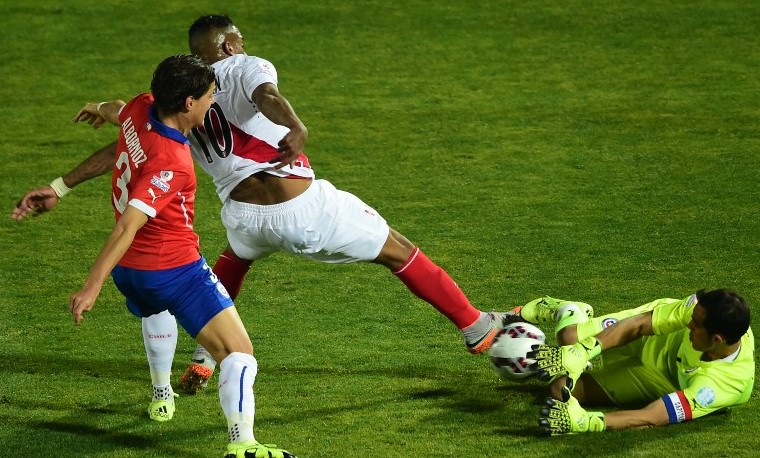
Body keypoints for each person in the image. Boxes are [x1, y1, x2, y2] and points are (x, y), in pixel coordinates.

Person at [13, 14, 506, 394]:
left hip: (243, 217)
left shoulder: (168, 102)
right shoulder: (243, 66)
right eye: (239, 39)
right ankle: (475, 327)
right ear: (229, 46)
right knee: (400, 250)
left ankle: (207, 358)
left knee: (231, 263)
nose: (242, 45)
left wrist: (63, 179)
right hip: (302, 207)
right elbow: (266, 93)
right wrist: (296, 124)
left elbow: (125, 119)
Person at [66, 54, 295, 458]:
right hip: (173, 268)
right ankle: (243, 446)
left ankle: (161, 392)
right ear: (188, 103)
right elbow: (127, 225)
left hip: (130, 272)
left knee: (155, 309)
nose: (213, 103)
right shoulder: (173, 163)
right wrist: (90, 287)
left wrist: (95, 107)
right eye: (209, 96)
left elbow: (118, 110)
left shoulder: (141, 106)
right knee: (239, 353)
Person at [510, 290, 754, 434]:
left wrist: (590, 422)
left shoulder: (726, 385)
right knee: (569, 337)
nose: (688, 323)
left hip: (658, 381)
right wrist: (583, 351)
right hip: (648, 337)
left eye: (696, 325)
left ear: (717, 340)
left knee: (557, 389)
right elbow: (638, 325)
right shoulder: (697, 308)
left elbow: (654, 416)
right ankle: (568, 310)